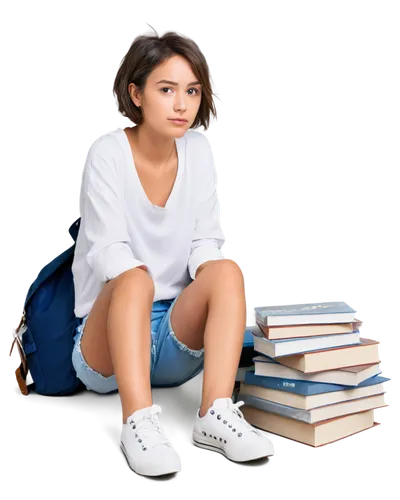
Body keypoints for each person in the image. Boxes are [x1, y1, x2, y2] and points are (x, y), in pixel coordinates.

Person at [71, 24, 276, 482]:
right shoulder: (105, 153)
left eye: (191, 91)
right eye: (167, 89)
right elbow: (107, 252)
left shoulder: (202, 152)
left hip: (173, 339)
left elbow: (206, 241)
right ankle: (138, 419)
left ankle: (215, 414)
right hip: (108, 347)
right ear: (136, 93)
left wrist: (218, 293)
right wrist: (141, 284)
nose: (183, 104)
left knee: (226, 269)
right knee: (132, 276)